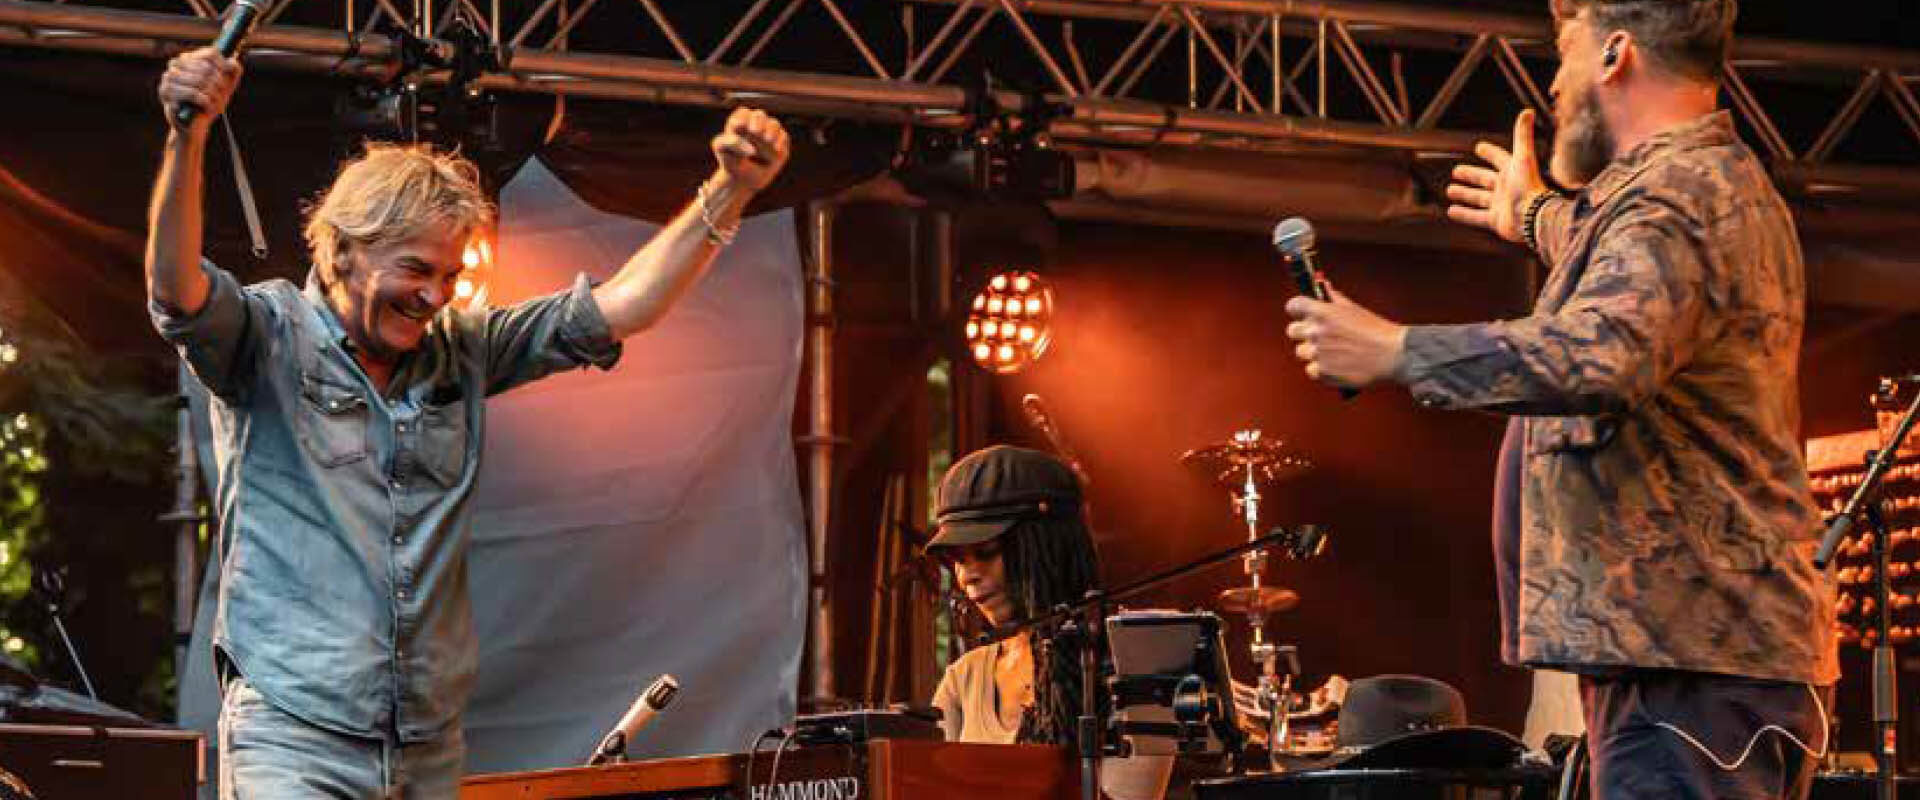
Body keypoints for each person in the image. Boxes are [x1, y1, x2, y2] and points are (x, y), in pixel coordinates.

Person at [148, 47, 789, 798]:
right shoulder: (267, 335)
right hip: (294, 733)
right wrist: (187, 136)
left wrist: (727, 193)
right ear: (343, 251)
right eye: (416, 270)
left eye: (451, 275)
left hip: (426, 741)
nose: (436, 296)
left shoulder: (462, 348)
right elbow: (176, 289)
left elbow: (624, 305)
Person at [1281, 1, 1837, 798]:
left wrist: (1396, 350)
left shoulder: (1680, 195)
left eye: (1564, 51)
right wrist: (1537, 215)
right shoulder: (1698, 190)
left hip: (1689, 674)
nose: (1553, 83)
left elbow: (1601, 353)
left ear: (1615, 54)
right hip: (1697, 668)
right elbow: (1639, 282)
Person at [926, 445, 1171, 800]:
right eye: (957, 560)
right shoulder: (962, 679)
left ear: (1047, 547)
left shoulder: (1134, 670)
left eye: (986, 552)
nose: (967, 577)